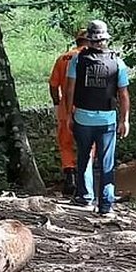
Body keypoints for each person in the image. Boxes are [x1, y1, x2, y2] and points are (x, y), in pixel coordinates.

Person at [62, 20, 130, 216]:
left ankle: (85, 198)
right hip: (107, 120)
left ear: (89, 40)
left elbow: (69, 90)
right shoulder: (117, 61)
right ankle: (106, 206)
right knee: (106, 163)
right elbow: (123, 94)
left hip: (82, 118)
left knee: (84, 157)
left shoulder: (77, 60)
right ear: (105, 39)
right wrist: (124, 120)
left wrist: (68, 115)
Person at [49, 28, 88, 196]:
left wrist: (58, 102)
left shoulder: (63, 58)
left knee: (66, 144)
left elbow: (53, 85)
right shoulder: (92, 57)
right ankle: (85, 183)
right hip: (86, 109)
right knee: (87, 145)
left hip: (66, 110)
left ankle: (70, 178)